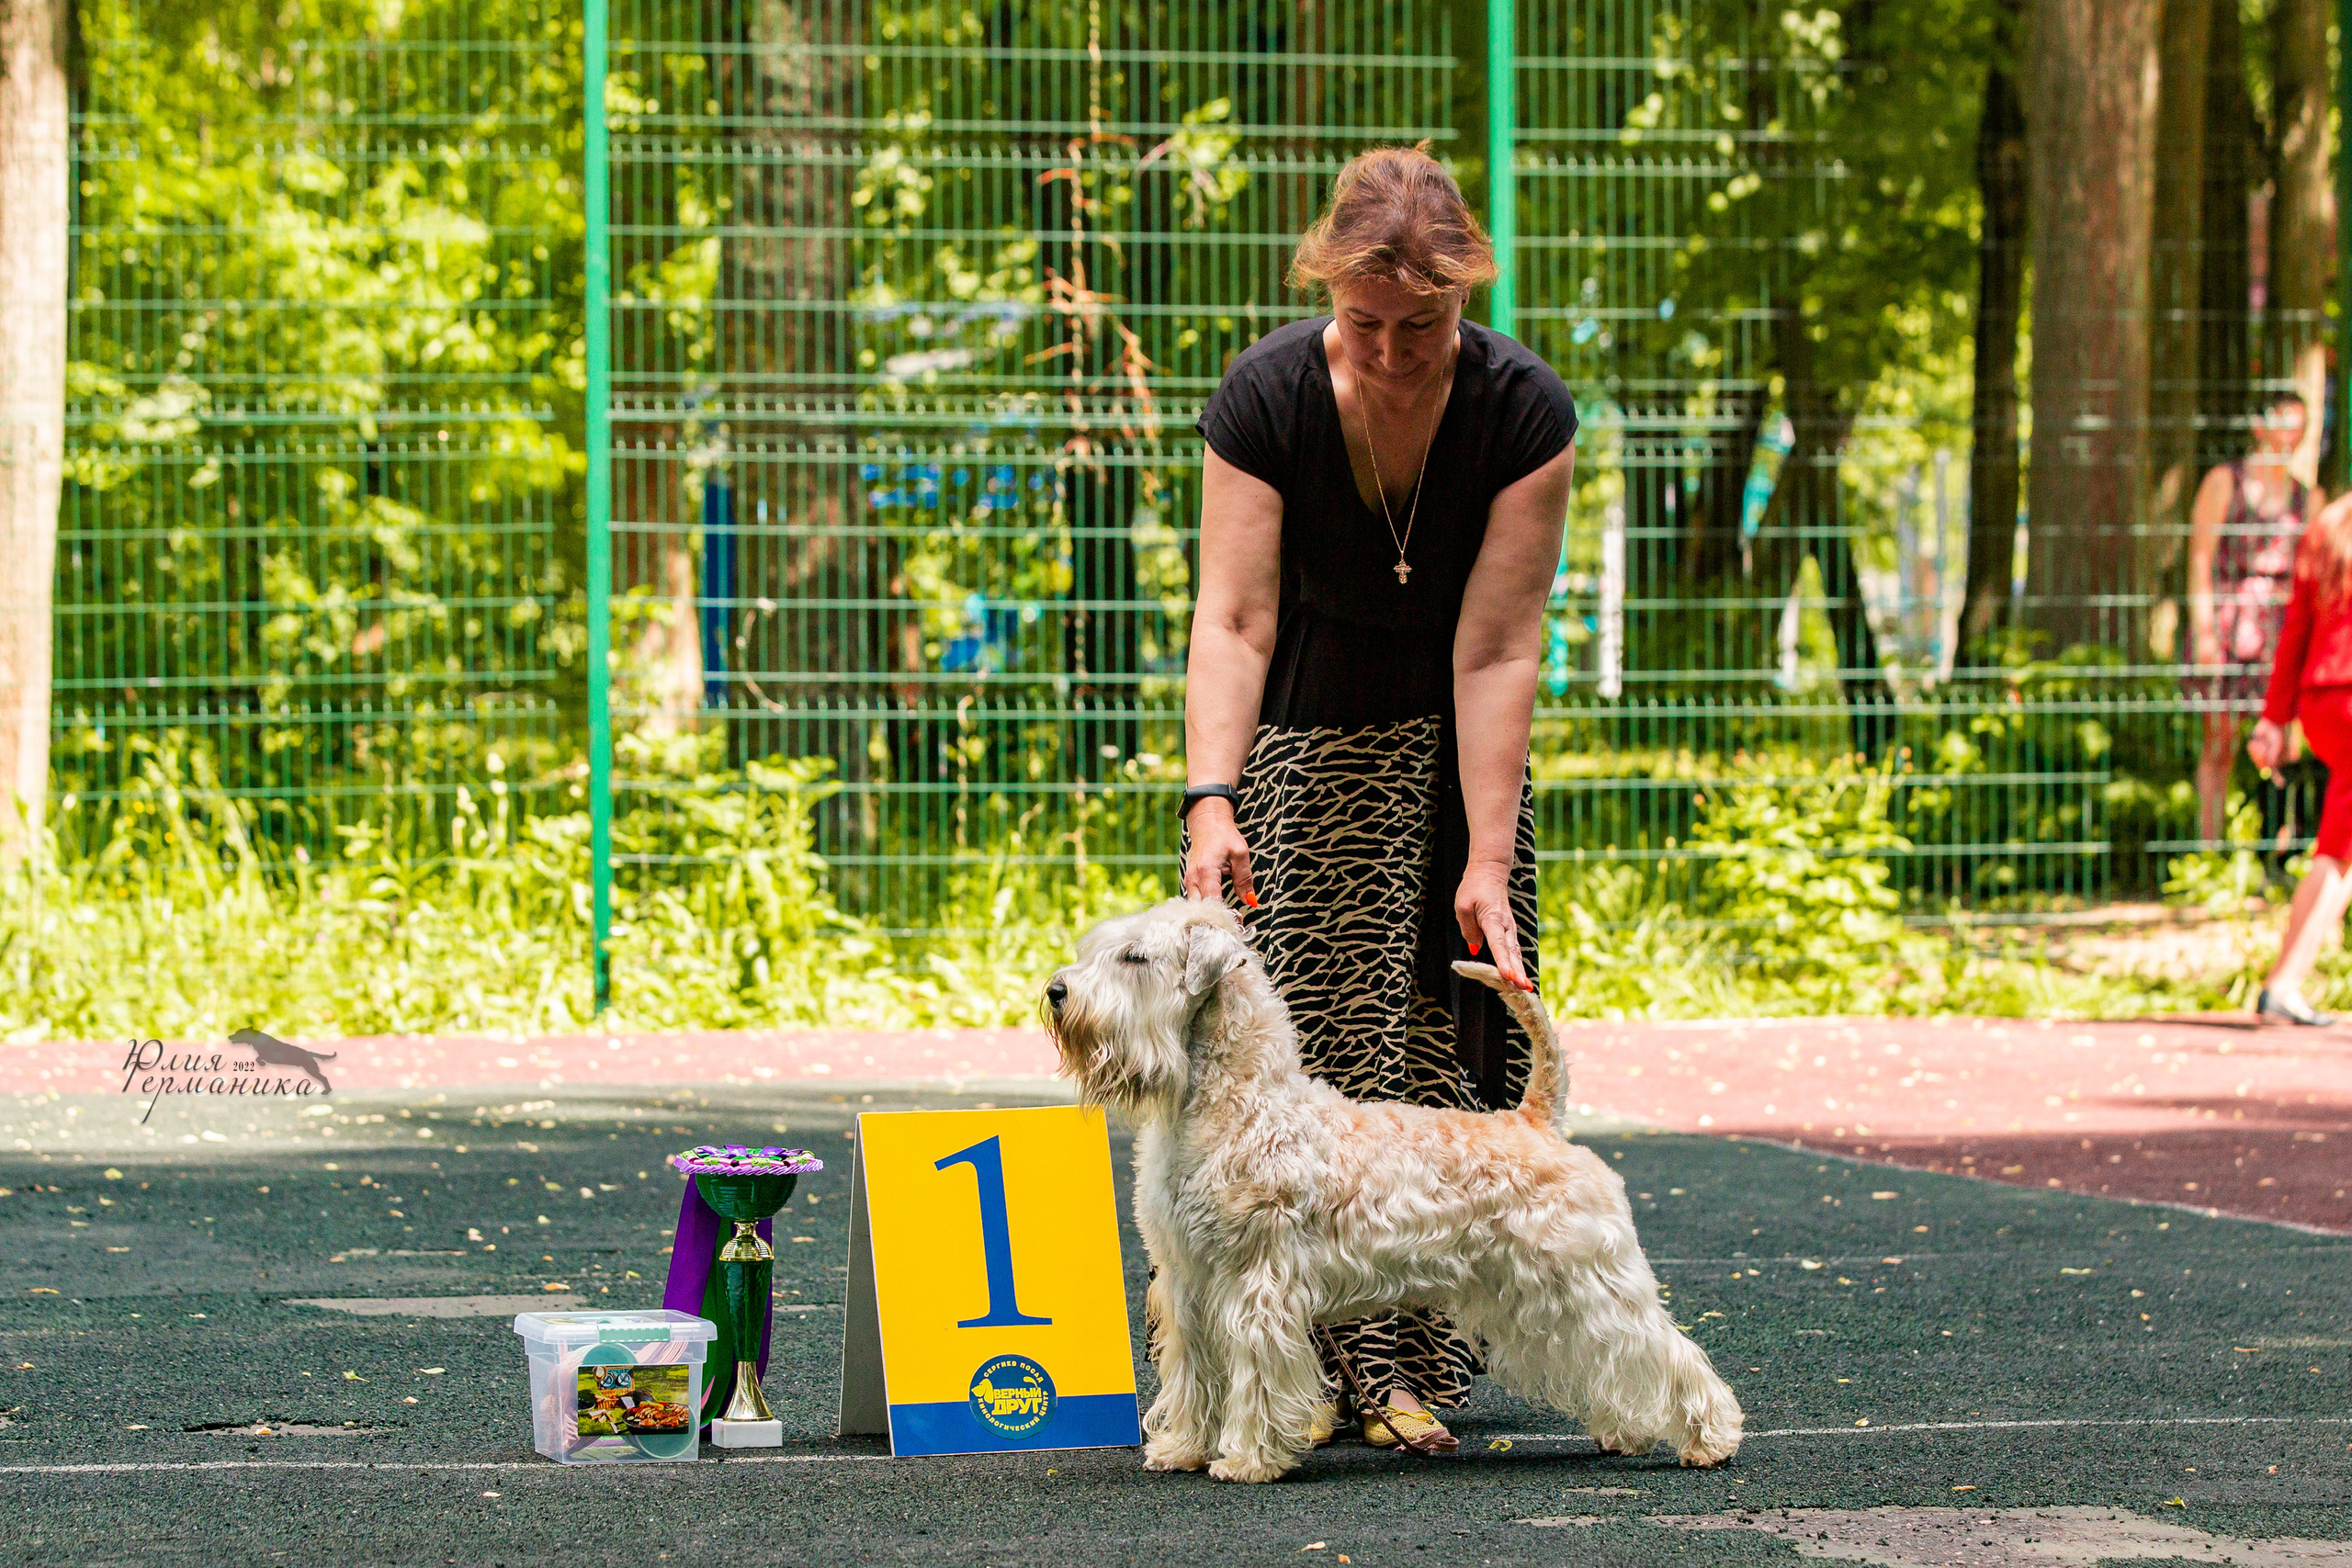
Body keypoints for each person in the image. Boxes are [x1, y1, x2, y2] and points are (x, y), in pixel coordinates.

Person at [1178, 144, 1577, 1450]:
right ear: (1327, 289)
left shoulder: (1525, 412)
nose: (1398, 352)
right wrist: (1211, 797)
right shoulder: (1265, 394)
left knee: (1459, 1059)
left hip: (1463, 754)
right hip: (1304, 753)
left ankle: (1414, 1375)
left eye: (1429, 324)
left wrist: (1486, 850)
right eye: (1367, 323)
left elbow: (1498, 647)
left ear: (1466, 296)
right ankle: (1302, 1374)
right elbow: (1233, 617)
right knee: (1308, 1078)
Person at [2188, 395, 2321, 847]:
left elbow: (2313, 576)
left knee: (2281, 744)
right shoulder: (2225, 482)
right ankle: (2209, 850)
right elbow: (2200, 557)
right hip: (2228, 621)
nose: (2293, 434)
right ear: (2260, 427)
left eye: (2300, 425)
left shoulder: (2309, 497)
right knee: (2219, 740)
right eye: (2284, 422)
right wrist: (2204, 630)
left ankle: (2276, 854)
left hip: (2281, 631)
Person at [2246, 487, 2352, 1025]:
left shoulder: (2330, 525)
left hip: (2323, 701)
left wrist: (2274, 716)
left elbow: (2297, 631)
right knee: (2338, 852)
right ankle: (2284, 983)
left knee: (2342, 846)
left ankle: (2284, 982)